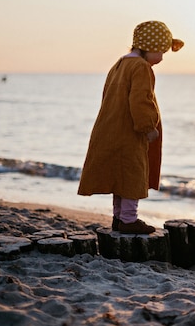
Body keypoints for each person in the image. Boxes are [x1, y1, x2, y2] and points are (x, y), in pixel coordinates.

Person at [78, 21, 184, 234]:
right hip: (130, 131)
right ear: (147, 46)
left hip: (110, 129)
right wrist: (147, 127)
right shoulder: (141, 67)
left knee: (120, 177)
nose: (162, 58)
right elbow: (140, 100)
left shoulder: (120, 64)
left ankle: (118, 218)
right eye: (160, 52)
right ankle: (128, 219)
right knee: (133, 175)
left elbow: (108, 96)